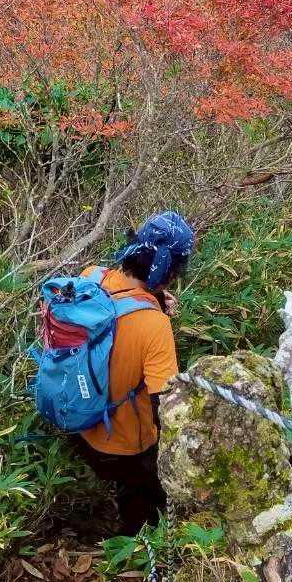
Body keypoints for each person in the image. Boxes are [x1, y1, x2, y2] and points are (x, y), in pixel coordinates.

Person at [69, 210, 194, 536]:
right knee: (149, 503)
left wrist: (153, 300)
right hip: (123, 448)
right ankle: (133, 541)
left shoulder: (91, 278)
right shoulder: (155, 326)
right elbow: (164, 405)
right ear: (171, 271)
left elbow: (116, 313)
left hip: (78, 422)